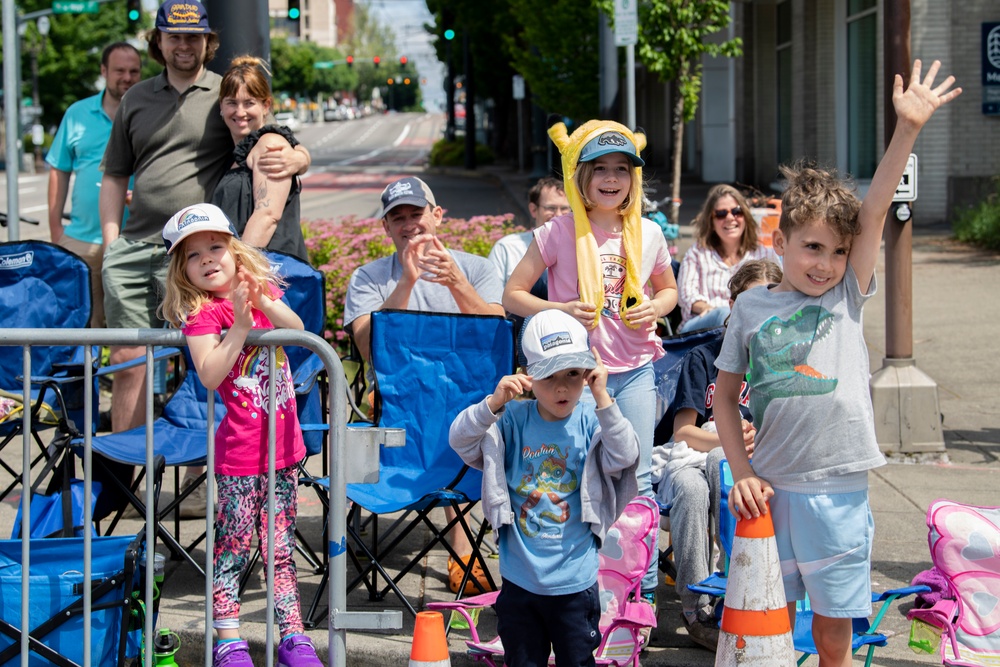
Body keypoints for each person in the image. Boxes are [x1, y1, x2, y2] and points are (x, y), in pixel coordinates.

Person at [714, 60, 960, 667]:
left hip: (841, 490)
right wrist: (741, 470)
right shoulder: (749, 307)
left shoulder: (849, 292)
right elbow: (723, 395)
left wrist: (906, 131)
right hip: (769, 490)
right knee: (763, 622)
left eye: (838, 251)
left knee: (832, 633)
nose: (824, 264)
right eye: (813, 248)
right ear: (781, 242)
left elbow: (874, 210)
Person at [99, 0, 310, 518]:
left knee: (223, 369)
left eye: (194, 37)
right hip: (151, 249)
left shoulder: (225, 93)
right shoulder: (141, 99)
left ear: (207, 42)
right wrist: (110, 242)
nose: (184, 45)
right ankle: (129, 491)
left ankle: (217, 487)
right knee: (132, 362)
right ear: (160, 41)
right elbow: (114, 174)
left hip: (212, 261)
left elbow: (271, 148)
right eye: (174, 36)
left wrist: (297, 154)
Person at [504, 120, 677, 613]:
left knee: (638, 477)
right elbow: (512, 295)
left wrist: (658, 307)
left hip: (638, 369)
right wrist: (556, 310)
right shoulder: (556, 231)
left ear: (633, 179)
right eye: (599, 168)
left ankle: (637, 601)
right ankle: (584, 592)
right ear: (580, 176)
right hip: (573, 378)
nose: (611, 178)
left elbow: (668, 290)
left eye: (622, 169)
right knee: (577, 479)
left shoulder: (649, 232)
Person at [159, 203, 322, 667]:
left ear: (235, 252)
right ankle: (228, 637)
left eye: (216, 247)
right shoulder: (202, 314)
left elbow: (299, 332)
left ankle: (293, 636)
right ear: (182, 269)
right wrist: (242, 328)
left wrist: (261, 301)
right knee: (234, 546)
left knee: (281, 547)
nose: (208, 259)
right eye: (194, 255)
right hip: (240, 455)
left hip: (285, 450)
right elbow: (210, 374)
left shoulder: (261, 292)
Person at [449, 309, 639, 667]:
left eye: (574, 374)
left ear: (588, 372)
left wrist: (603, 398)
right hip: (520, 579)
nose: (563, 387)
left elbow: (626, 455)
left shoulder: (590, 417)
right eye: (549, 376)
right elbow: (459, 439)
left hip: (575, 582)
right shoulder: (513, 420)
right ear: (528, 377)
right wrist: (493, 403)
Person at [343, 175, 505, 594]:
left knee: (460, 419)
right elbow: (367, 351)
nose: (408, 224)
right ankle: (358, 528)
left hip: (465, 404)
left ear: (437, 216)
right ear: (385, 227)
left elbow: (496, 336)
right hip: (398, 406)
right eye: (397, 218)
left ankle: (461, 547)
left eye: (416, 214)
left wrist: (455, 283)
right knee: (393, 417)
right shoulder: (370, 277)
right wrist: (407, 282)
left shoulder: (475, 268)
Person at [660, 259, 782, 651]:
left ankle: (737, 588)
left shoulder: (779, 364)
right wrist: (727, 438)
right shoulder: (704, 357)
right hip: (690, 460)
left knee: (723, 464)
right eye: (747, 301)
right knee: (695, 486)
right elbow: (683, 432)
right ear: (731, 305)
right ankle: (698, 609)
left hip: (750, 466)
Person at [46, 42, 141, 327]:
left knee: (132, 332)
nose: (127, 77)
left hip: (135, 240)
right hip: (82, 241)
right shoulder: (77, 113)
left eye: (134, 71)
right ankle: (93, 374)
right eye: (119, 70)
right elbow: (58, 171)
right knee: (82, 330)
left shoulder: (148, 111)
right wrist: (56, 231)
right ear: (104, 71)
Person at [212, 55, 308, 262]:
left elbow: (267, 217)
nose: (240, 112)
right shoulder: (237, 152)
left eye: (249, 103)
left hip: (267, 272)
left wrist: (237, 267)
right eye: (232, 103)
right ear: (221, 106)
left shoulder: (269, 144)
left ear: (266, 106)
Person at [676, 184, 779, 334]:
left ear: (746, 216)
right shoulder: (698, 253)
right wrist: (707, 308)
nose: (730, 218)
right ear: (711, 221)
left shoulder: (763, 253)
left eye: (737, 211)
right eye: (721, 214)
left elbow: (780, 288)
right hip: (703, 324)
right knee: (724, 314)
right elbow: (686, 296)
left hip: (754, 322)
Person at [488, 176, 570, 287]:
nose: (558, 215)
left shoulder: (579, 248)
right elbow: (493, 296)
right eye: (551, 208)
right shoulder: (507, 248)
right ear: (533, 210)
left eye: (565, 209)